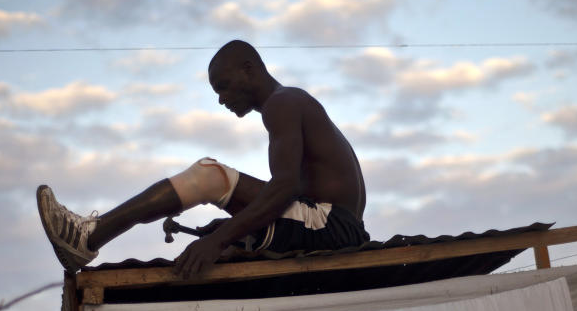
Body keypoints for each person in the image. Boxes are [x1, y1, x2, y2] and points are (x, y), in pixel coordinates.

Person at [37, 39, 368, 279]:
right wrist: (231, 227)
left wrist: (217, 240)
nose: (222, 99)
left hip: (330, 227)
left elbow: (283, 189)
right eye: (216, 92)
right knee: (222, 203)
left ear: (249, 69)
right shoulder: (290, 102)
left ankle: (86, 238)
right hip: (332, 225)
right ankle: (87, 235)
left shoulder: (282, 104)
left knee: (210, 176)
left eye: (223, 86)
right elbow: (292, 193)